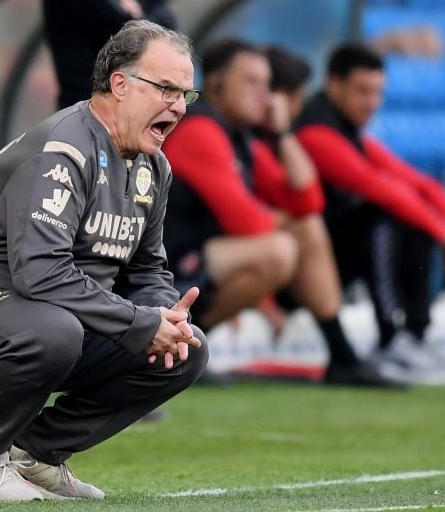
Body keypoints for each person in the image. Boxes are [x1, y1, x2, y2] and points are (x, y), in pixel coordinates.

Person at [0, 20, 207, 502]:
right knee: (53, 331)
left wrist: (165, 316)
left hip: (44, 312)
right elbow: (41, 271)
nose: (176, 106)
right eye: (166, 88)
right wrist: (137, 322)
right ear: (120, 85)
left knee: (184, 351)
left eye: (185, 94)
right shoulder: (63, 149)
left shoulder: (154, 166)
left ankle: (34, 455)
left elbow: (145, 269)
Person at [162, 39, 412, 388]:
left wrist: (282, 134)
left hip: (203, 259)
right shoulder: (200, 129)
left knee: (304, 229)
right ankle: (174, 351)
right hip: (165, 266)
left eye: (267, 86)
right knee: (280, 248)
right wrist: (280, 220)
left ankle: (342, 356)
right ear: (216, 83)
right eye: (251, 83)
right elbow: (245, 222)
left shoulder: (240, 135)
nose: (265, 96)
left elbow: (309, 203)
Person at [294, 43, 445, 384]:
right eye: (362, 91)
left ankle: (414, 337)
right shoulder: (314, 132)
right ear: (333, 84)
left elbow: (424, 186)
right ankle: (390, 338)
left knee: (410, 217)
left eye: (378, 93)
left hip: (333, 255)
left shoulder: (348, 132)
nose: (372, 103)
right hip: (306, 266)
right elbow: (379, 189)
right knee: (382, 215)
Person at [42, 0, 177, 111]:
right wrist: (139, 18)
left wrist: (139, 16)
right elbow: (125, 28)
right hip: (87, 109)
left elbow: (168, 25)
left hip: (128, 109)